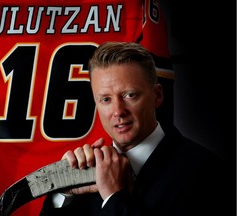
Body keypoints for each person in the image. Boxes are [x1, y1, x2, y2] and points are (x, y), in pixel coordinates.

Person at [40, 42, 231, 216]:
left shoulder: (206, 171)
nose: (118, 111)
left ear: (157, 95)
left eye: (130, 95)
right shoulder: (88, 172)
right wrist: (64, 193)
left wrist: (113, 197)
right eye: (106, 99)